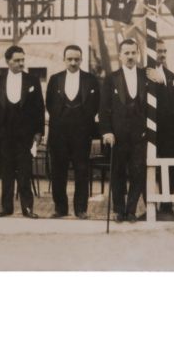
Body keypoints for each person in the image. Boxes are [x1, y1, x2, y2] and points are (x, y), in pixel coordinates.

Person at [46, 44, 99, 219]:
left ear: (81, 59)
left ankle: (80, 209)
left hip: (82, 133)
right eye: (69, 59)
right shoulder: (55, 79)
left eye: (77, 59)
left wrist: (83, 120)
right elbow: (49, 104)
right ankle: (60, 208)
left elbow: (95, 104)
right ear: (64, 59)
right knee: (58, 172)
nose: (73, 62)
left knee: (81, 171)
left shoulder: (91, 80)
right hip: (59, 133)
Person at [0, 45, 44, 218]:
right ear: (8, 61)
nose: (21, 63)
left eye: (22, 60)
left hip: (25, 136)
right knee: (6, 172)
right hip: (4, 135)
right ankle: (6, 208)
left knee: (24, 173)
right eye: (17, 60)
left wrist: (39, 132)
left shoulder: (32, 81)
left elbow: (39, 108)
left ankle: (27, 208)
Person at [100, 39, 148, 223]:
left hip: (140, 135)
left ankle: (131, 210)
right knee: (117, 173)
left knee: (138, 173)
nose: (130, 56)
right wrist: (107, 131)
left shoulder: (146, 76)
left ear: (138, 55)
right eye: (126, 53)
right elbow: (104, 108)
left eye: (133, 53)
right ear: (120, 56)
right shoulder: (111, 78)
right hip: (117, 135)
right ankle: (119, 210)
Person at [146, 40, 174, 214]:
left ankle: (166, 206)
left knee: (169, 166)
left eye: (165, 51)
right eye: (159, 51)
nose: (163, 54)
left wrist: (161, 83)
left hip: (169, 129)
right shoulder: (142, 74)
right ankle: (149, 206)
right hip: (150, 127)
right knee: (148, 166)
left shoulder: (171, 75)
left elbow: (171, 103)